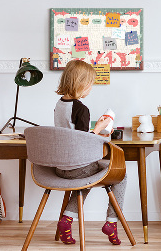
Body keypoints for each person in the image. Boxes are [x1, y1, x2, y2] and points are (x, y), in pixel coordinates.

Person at [54, 60, 127, 245]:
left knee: (85, 179)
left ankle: (67, 220)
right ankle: (112, 222)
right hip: (77, 167)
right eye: (90, 84)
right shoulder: (81, 109)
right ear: (81, 84)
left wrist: (97, 130)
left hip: (60, 167)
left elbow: (72, 134)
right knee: (120, 174)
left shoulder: (59, 105)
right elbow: (83, 141)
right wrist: (100, 128)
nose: (90, 88)